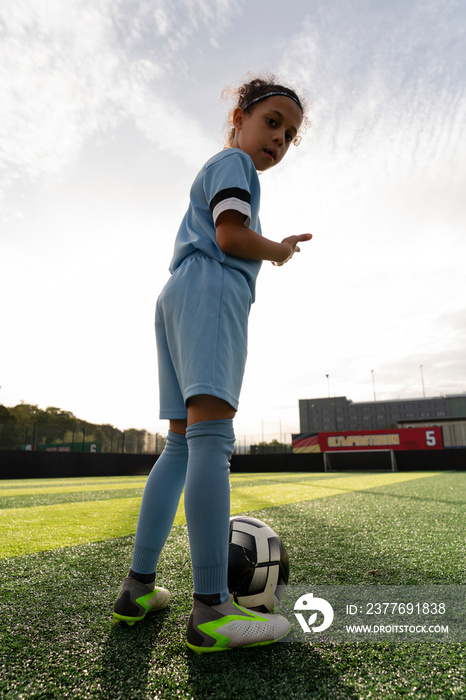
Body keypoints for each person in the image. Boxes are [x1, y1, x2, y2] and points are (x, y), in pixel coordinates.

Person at [113, 75, 312, 653]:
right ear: (240, 119)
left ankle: (139, 588)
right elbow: (230, 235)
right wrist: (275, 250)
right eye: (272, 121)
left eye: (290, 135)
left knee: (179, 444)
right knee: (211, 441)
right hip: (210, 291)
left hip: (177, 292)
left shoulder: (222, 166)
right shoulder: (234, 165)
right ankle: (211, 608)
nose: (278, 138)